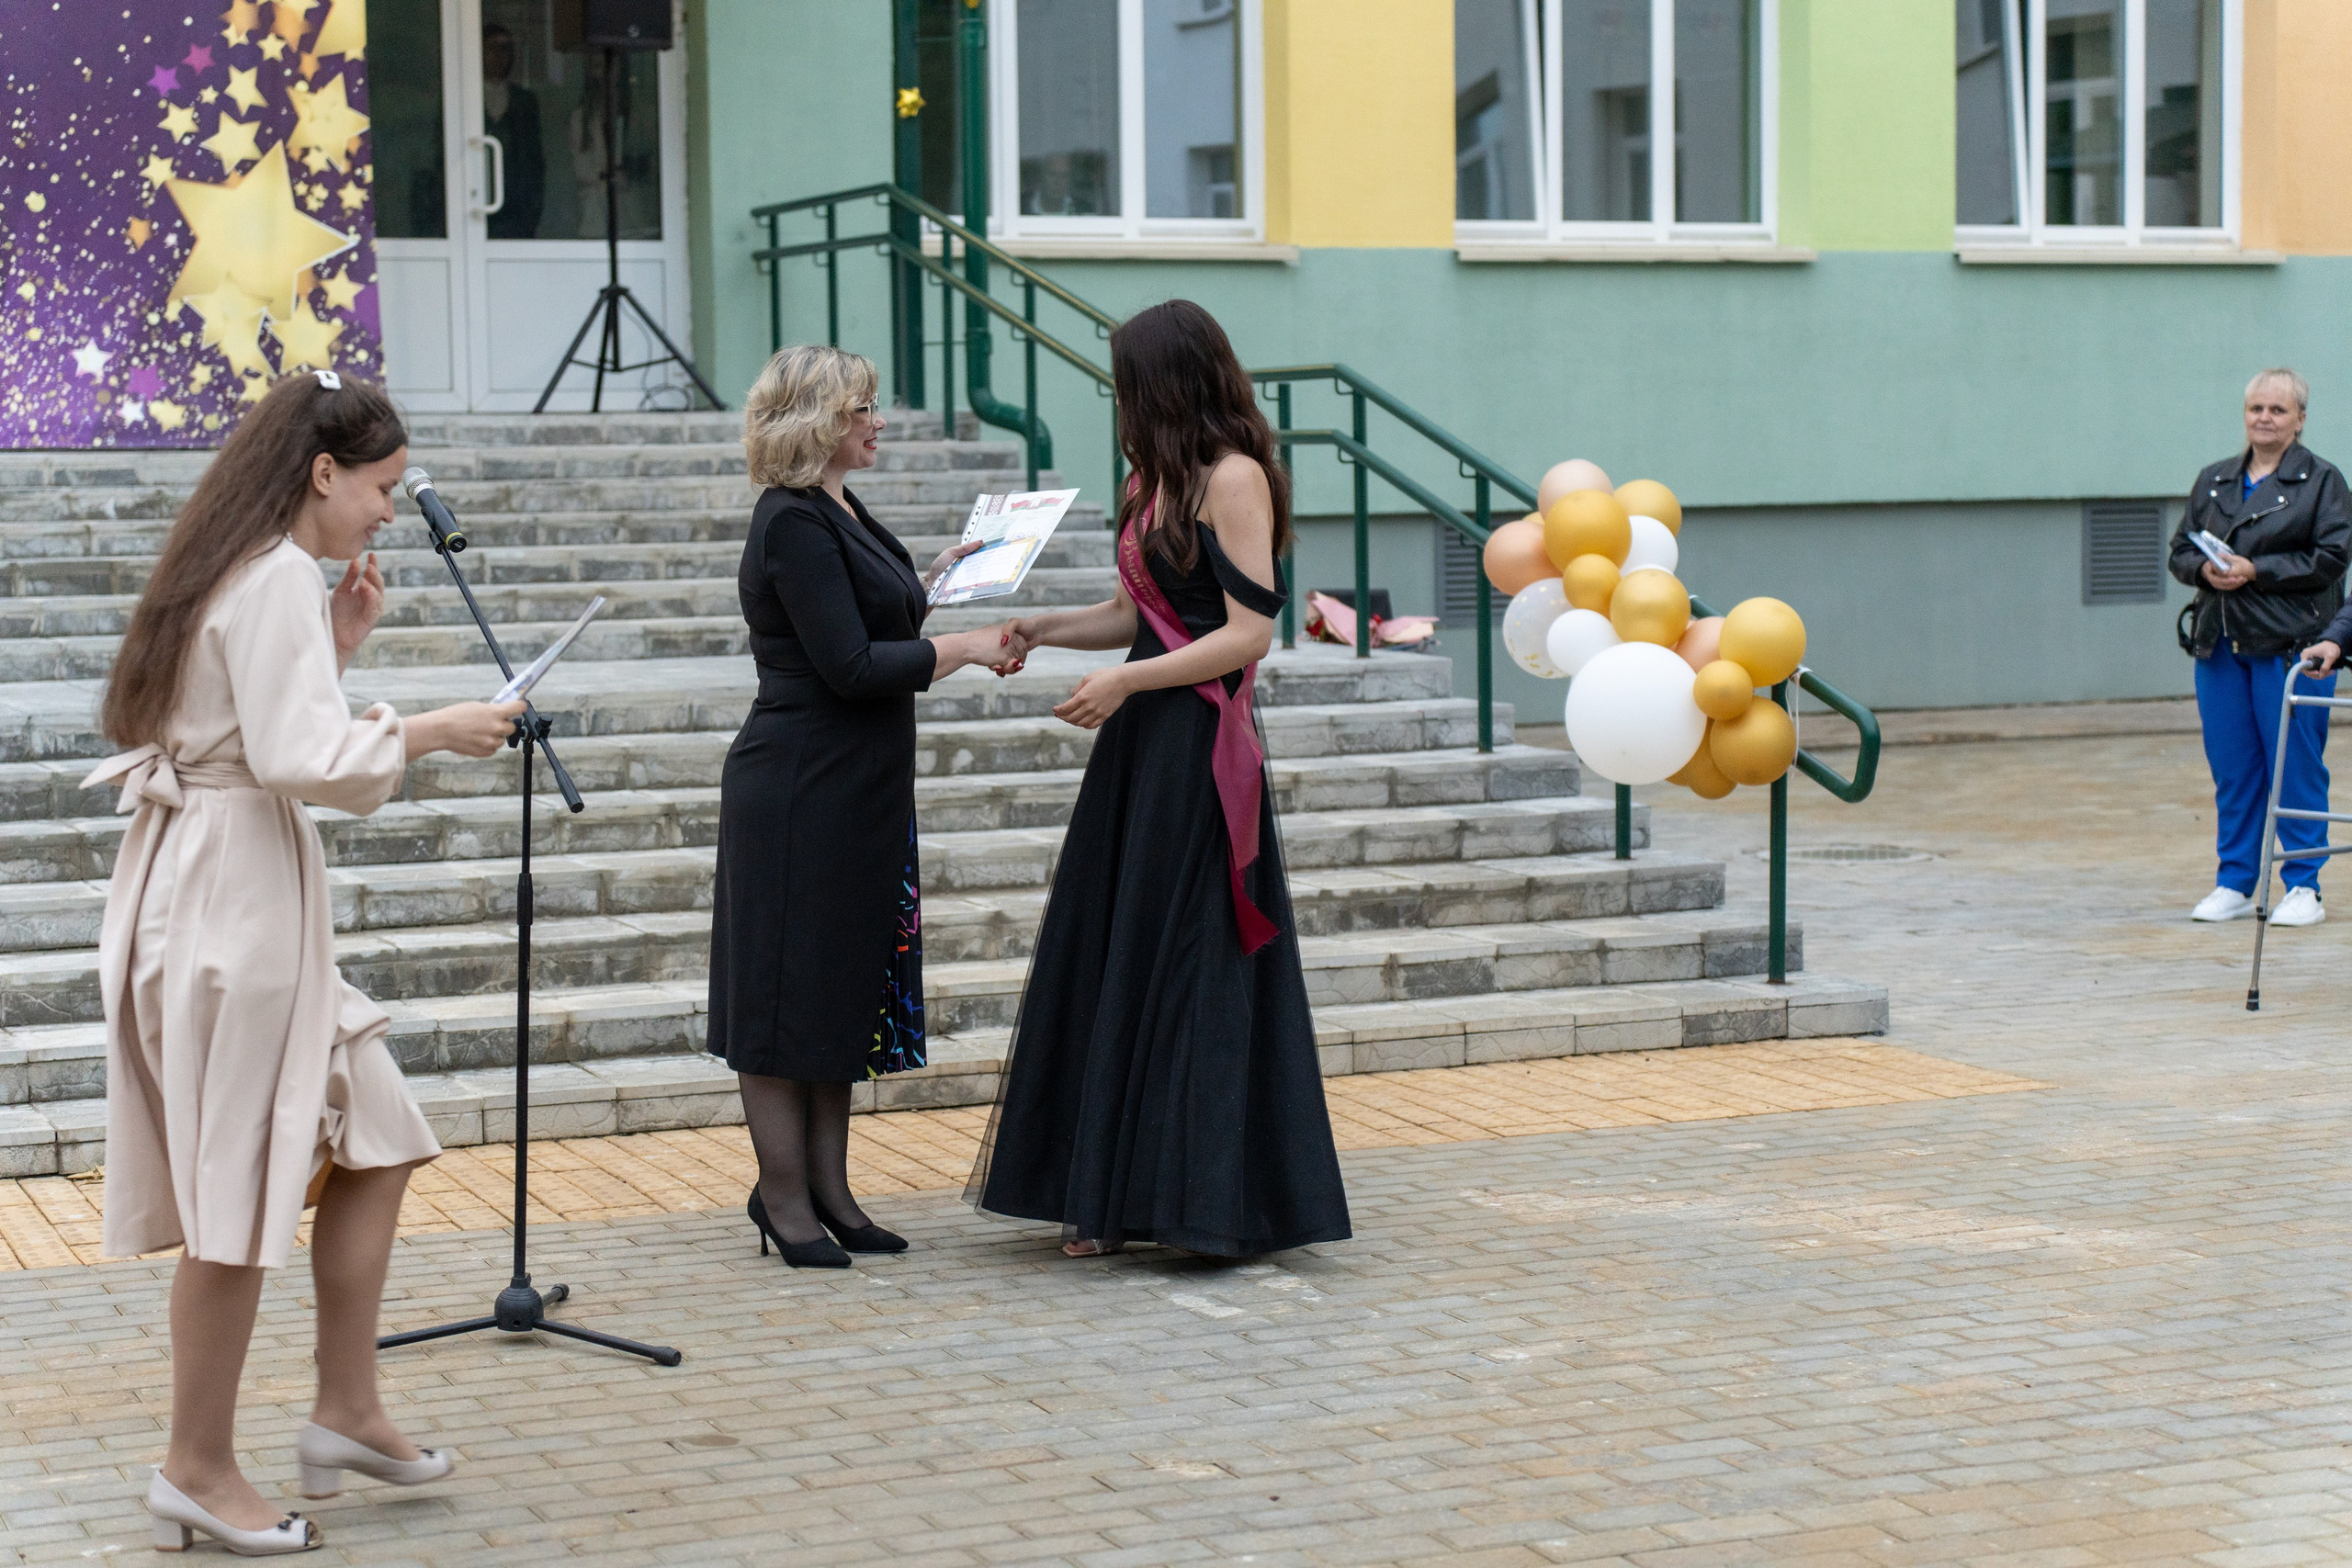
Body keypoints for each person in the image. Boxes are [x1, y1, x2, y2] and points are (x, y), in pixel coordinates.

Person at [88, 372, 527, 1554]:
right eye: (383, 486)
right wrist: (433, 729)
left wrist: (334, 648)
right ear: (324, 472)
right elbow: (294, 756)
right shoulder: (273, 570)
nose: (392, 510)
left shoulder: (241, 564)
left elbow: (251, 722)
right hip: (235, 910)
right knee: (235, 1199)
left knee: (377, 1128)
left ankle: (344, 1407)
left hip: (219, 888)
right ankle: (195, 1467)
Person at [967, 299, 1351, 1259]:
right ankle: (1114, 1193)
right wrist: (1045, 629)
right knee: (1123, 953)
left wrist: (1128, 680)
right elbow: (1138, 610)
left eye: (1126, 378)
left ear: (1166, 380)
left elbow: (1248, 632)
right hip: (1143, 747)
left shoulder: (1233, 479)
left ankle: (1193, 1201)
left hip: (1198, 746)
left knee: (1188, 959)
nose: (1116, 396)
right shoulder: (1154, 480)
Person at [707, 346, 1011, 1269]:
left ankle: (834, 1194)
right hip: (800, 788)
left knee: (836, 990)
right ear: (816, 423)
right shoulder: (791, 521)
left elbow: (875, 618)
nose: (877, 421)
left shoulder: (839, 506)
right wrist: (961, 645)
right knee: (781, 995)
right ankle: (785, 1199)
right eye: (861, 409)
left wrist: (936, 580)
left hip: (858, 787)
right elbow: (846, 665)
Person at [2172, 368, 2352, 928]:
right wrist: (2205, 567)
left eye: (2277, 410)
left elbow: (2331, 558)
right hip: (2220, 643)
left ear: (2300, 419)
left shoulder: (2322, 483)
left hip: (2288, 644)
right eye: (2256, 409)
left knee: (2294, 763)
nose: (2265, 419)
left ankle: (2303, 885)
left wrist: (2257, 570)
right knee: (2233, 766)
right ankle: (2234, 880)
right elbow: (2179, 551)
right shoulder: (2216, 480)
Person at [481, 24, 545, 240]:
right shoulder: (463, 96)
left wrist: (532, 209)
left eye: (505, 49)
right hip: (476, 201)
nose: (499, 56)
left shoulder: (524, 100)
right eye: (491, 48)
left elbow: (534, 160)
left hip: (517, 208)